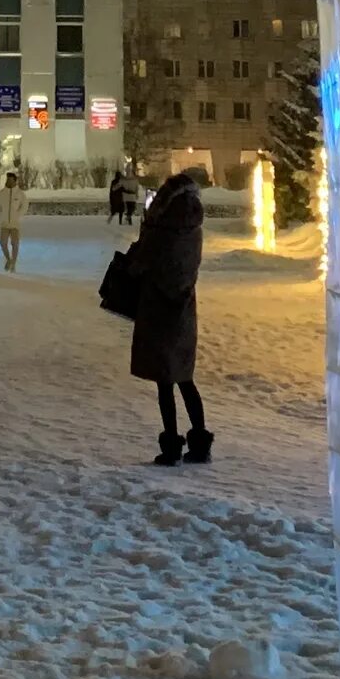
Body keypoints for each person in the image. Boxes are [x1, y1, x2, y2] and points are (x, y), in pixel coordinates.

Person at [128, 168, 210, 466]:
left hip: (159, 307)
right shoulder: (193, 228)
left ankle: (171, 445)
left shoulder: (162, 230)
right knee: (185, 377)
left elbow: (141, 263)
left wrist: (145, 233)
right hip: (185, 307)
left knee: (164, 380)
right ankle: (199, 442)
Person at [0, 170, 28, 272]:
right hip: (4, 223)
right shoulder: (1, 193)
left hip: (15, 224)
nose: (8, 182)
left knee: (15, 243)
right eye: (7, 180)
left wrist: (18, 215)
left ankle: (13, 263)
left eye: (10, 180)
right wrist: (1, 216)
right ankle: (8, 259)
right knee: (3, 242)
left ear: (15, 181)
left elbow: (24, 206)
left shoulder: (20, 194)